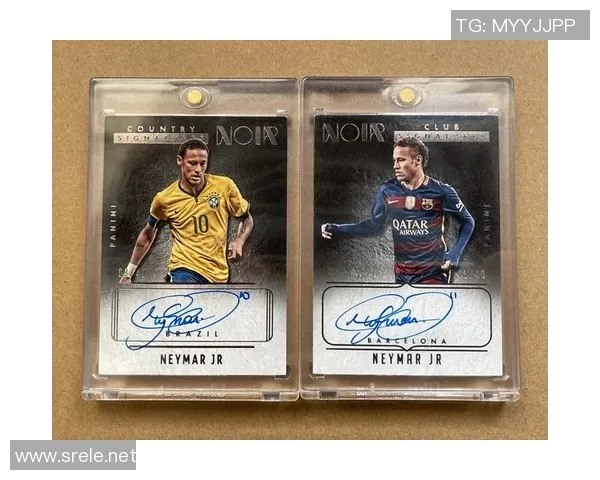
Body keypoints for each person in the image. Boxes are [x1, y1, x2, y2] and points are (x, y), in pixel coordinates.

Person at [321, 136, 474, 284]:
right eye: (394, 160)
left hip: (433, 272)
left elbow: (468, 221)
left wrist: (454, 254)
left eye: (401, 160)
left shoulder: (442, 191)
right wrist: (337, 228)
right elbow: (373, 225)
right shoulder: (387, 190)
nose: (395, 166)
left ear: (417, 160)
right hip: (402, 274)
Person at [120, 138, 253, 284]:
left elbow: (247, 219)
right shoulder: (164, 199)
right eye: (192, 163)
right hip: (183, 269)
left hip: (218, 274)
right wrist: (128, 273)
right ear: (180, 161)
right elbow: (147, 235)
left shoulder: (224, 186)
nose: (198, 170)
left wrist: (239, 240)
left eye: (203, 163)